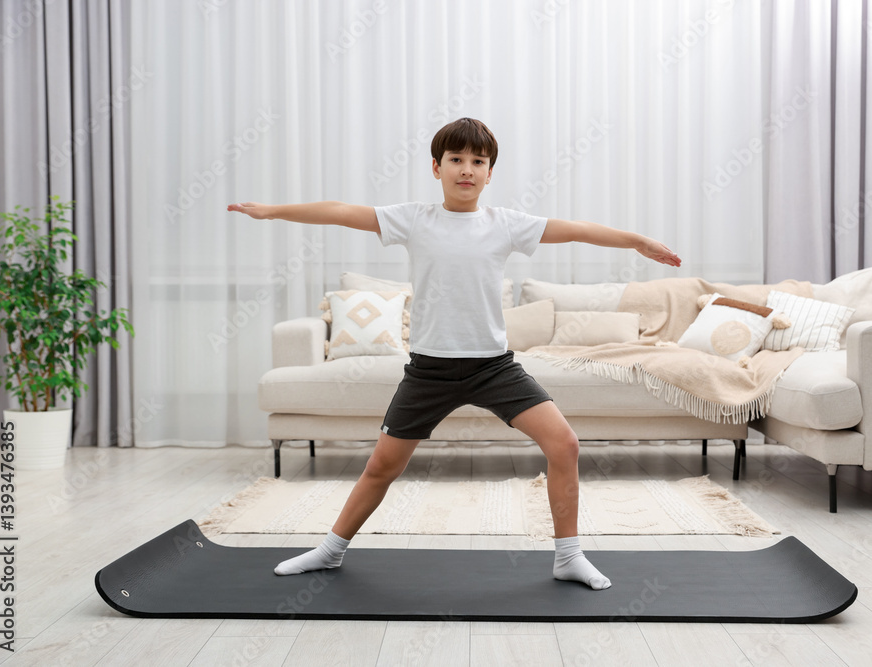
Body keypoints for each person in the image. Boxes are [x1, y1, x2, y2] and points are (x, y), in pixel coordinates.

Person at [228, 117, 681, 590]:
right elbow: (342, 211)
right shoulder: (414, 219)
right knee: (382, 466)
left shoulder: (505, 224)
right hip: (429, 371)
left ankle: (568, 556)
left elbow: (576, 229)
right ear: (436, 167)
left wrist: (638, 241)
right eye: (456, 160)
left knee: (564, 444)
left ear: (490, 173)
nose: (467, 169)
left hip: (493, 367)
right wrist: (273, 211)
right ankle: (329, 551)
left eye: (478, 162)